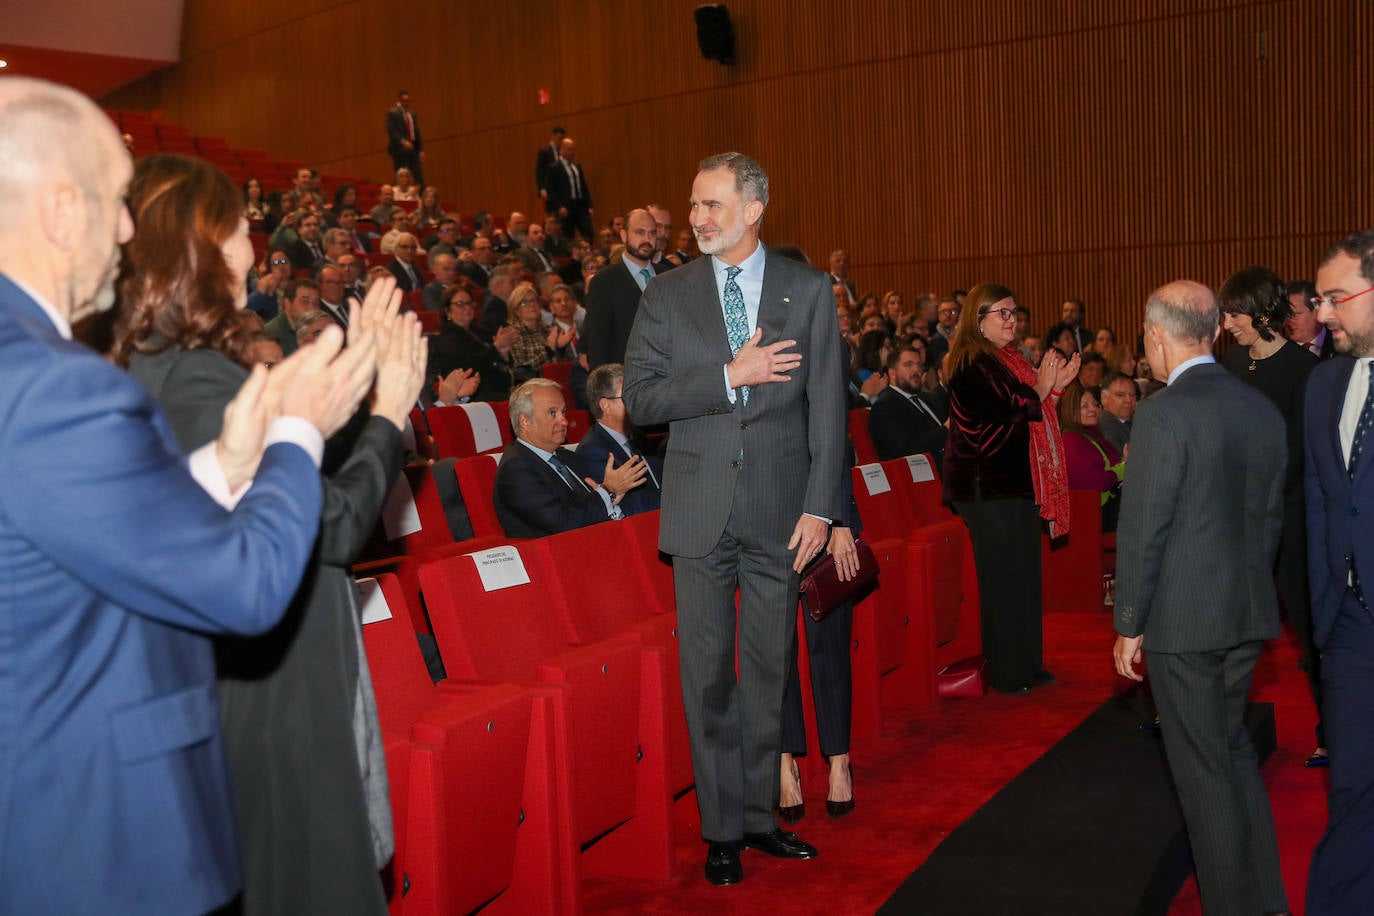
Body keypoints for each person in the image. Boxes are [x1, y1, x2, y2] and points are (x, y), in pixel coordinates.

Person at [0, 77, 374, 915]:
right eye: (115, 201)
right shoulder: (57, 386)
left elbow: (68, 540)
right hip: (93, 834)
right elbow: (244, 589)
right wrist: (296, 431)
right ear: (62, 210)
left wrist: (224, 466)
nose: (129, 231)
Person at [114, 153, 426, 916]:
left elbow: (298, 484)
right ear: (211, 243)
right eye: (239, 228)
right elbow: (336, 525)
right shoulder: (191, 377)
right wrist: (389, 415)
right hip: (275, 697)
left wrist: (346, 393)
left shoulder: (158, 364)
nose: (254, 245)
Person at [623, 152, 845, 886]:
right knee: (708, 677)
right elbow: (644, 401)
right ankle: (721, 830)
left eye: (712, 205)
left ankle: (758, 817)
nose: (696, 219)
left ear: (754, 209)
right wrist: (727, 377)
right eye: (693, 206)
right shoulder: (667, 294)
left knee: (767, 673)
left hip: (784, 512)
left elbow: (829, 410)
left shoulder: (808, 290)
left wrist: (823, 506)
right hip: (698, 511)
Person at [1113, 280, 1288, 916]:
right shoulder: (1259, 405)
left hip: (1184, 624)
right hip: (1246, 613)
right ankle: (1266, 902)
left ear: (1157, 335)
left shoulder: (1163, 412)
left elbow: (1143, 527)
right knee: (1233, 755)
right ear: (1215, 330)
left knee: (1204, 777)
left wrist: (1128, 620)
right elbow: (1270, 520)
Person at [944, 284, 1078, 694]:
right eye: (1000, 313)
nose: (1011, 319)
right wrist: (1044, 387)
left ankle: (1028, 665)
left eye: (1013, 312)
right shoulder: (970, 362)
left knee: (1024, 577)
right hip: (986, 484)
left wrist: (1053, 388)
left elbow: (1029, 409)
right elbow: (1011, 409)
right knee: (1003, 580)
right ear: (977, 320)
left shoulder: (1009, 359)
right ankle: (1007, 672)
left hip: (1014, 481)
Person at [1218, 265, 1325, 767]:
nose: (1228, 321)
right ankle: (1224, 722)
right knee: (1232, 626)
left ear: (1262, 311)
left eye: (1235, 312)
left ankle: (1331, 726)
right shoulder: (1232, 363)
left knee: (1307, 625)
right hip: (1238, 517)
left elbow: (1302, 453)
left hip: (1290, 515)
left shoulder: (1304, 370)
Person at [1303, 229, 1374, 913]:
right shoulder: (1323, 383)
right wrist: (1325, 615)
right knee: (1353, 786)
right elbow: (1321, 505)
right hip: (1350, 629)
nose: (1322, 314)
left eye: (1335, 298)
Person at [493, 378, 646, 537]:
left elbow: (588, 509)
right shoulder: (516, 469)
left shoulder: (567, 457)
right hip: (555, 555)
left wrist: (610, 498)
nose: (564, 421)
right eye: (552, 413)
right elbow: (562, 523)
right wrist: (607, 491)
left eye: (563, 412)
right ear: (525, 421)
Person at [572, 363, 663, 516]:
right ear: (606, 405)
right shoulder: (592, 451)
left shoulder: (638, 436)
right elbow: (630, 508)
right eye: (629, 396)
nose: (638, 402)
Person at [583, 209, 668, 369]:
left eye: (652, 233)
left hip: (668, 376)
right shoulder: (604, 281)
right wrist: (606, 388)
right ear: (623, 235)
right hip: (625, 378)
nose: (647, 239)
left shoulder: (668, 276)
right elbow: (597, 342)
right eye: (640, 232)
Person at [1058, 380, 1124, 531]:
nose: (1093, 409)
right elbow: (1097, 482)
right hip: (1092, 516)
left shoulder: (1092, 435)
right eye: (1084, 406)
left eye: (1094, 404)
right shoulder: (1071, 441)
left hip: (1105, 508)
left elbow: (1114, 465)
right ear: (1071, 410)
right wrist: (1125, 468)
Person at [868, 343, 947, 463]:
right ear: (892, 373)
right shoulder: (885, 407)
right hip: (925, 474)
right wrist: (946, 430)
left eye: (919, 365)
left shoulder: (931, 398)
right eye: (908, 365)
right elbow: (907, 450)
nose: (916, 370)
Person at [545, 137, 594, 240]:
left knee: (588, 232)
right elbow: (551, 190)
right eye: (569, 149)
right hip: (566, 207)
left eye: (573, 149)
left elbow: (584, 187)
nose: (572, 152)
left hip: (580, 206)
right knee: (568, 235)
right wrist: (559, 207)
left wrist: (589, 205)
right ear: (562, 149)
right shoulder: (554, 167)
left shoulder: (577, 167)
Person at [385, 90, 424, 187]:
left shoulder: (412, 114)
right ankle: (399, 195)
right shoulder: (392, 113)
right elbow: (391, 130)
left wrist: (421, 149)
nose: (407, 103)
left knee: (418, 174)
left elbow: (416, 132)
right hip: (399, 150)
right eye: (404, 100)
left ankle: (421, 197)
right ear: (400, 101)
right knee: (401, 174)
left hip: (412, 149)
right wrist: (403, 142)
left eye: (408, 101)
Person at [1098, 371, 1137, 452]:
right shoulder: (1105, 429)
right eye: (1120, 395)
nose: (1128, 400)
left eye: (1132, 395)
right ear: (1104, 398)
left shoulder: (1138, 420)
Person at [535, 124, 566, 210]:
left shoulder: (564, 153)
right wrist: (542, 188)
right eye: (559, 138)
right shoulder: (544, 152)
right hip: (549, 189)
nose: (561, 141)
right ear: (553, 137)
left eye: (562, 139)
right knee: (551, 212)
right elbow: (539, 171)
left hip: (562, 188)